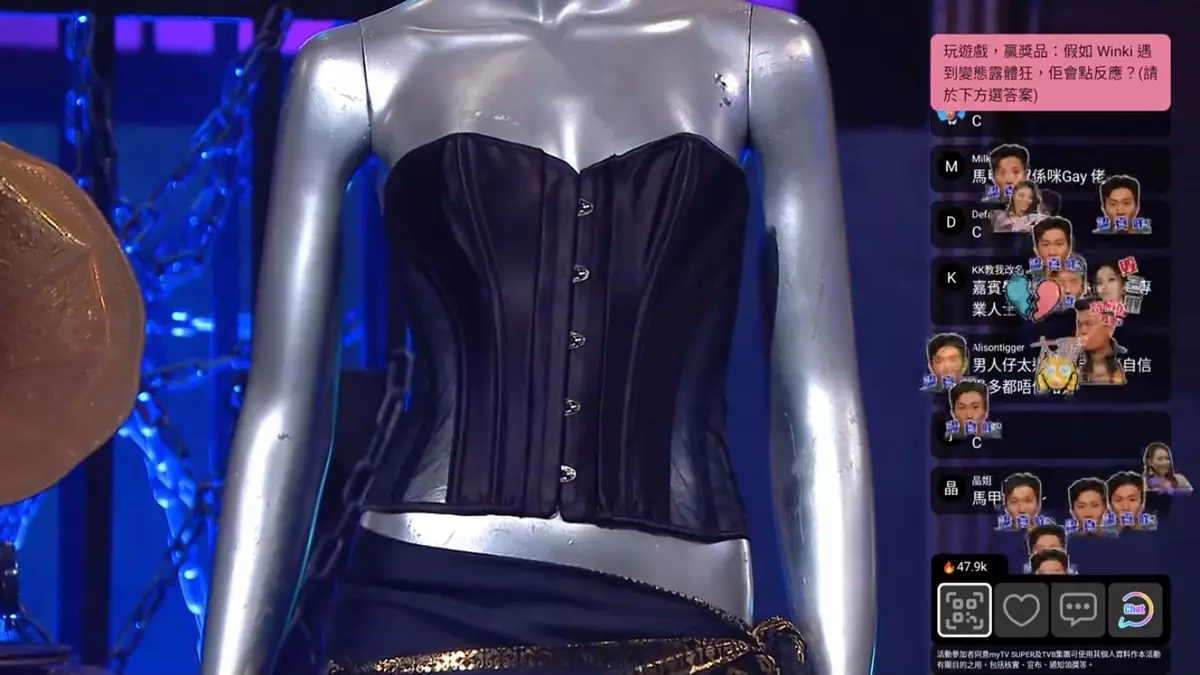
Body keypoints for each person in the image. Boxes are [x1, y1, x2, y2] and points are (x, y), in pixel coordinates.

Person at [201, 3, 872, 675]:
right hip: (419, 605)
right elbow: (284, 411)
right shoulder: (356, 66)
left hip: (685, 618)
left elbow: (820, 401)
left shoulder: (763, 54)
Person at [1075, 299, 1126, 385]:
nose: (1082, 331)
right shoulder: (1070, 360)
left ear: (1110, 327)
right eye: (1079, 325)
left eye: (1089, 324)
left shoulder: (1128, 358)